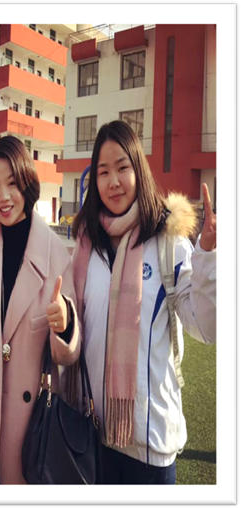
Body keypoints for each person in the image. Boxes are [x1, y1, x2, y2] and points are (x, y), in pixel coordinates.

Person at [70, 120, 216, 484]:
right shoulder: (86, 245)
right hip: (91, 436)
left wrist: (208, 255)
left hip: (150, 446)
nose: (114, 181)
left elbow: (206, 327)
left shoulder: (167, 243)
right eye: (103, 171)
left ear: (139, 169)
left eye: (122, 167)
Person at [0, 135, 80, 484]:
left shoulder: (56, 254)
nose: (4, 197)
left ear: (27, 184)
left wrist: (65, 325)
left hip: (32, 431)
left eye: (12, 184)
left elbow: (69, 354)